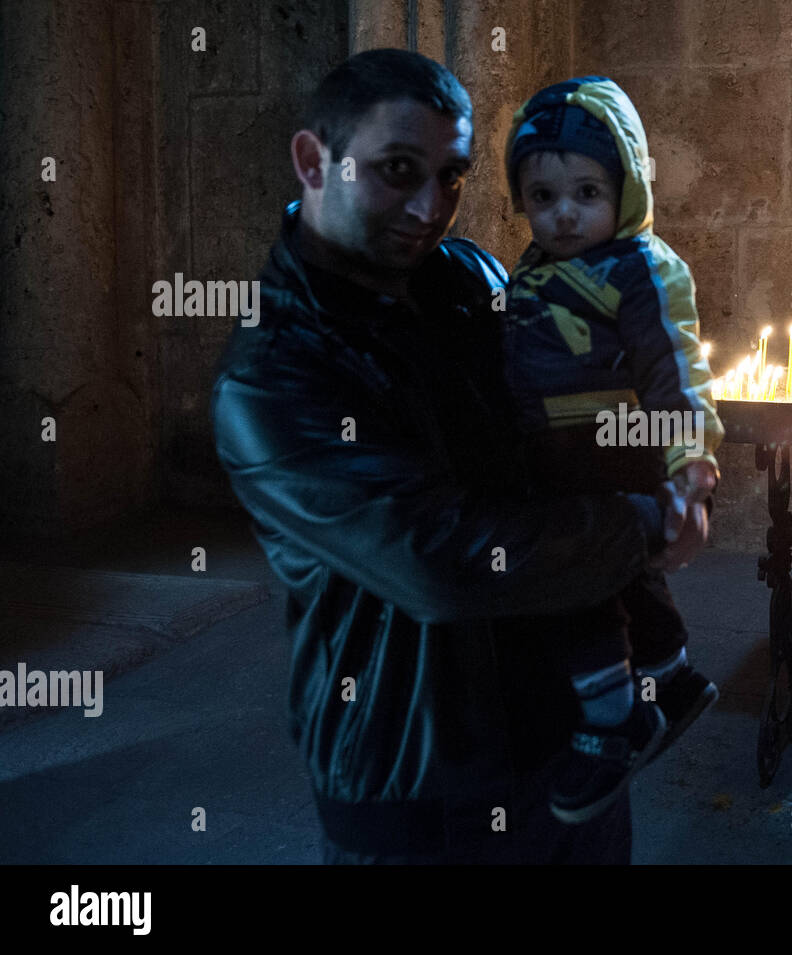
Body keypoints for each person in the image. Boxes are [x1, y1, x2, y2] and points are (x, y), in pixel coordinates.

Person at [209, 49, 707, 864]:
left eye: (452, 175)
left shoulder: (476, 277)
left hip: (571, 743)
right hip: (420, 783)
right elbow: (440, 562)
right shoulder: (270, 374)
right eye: (399, 169)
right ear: (312, 160)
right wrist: (641, 524)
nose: (429, 204)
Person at [500, 76, 724, 824]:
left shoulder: (640, 268)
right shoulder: (534, 269)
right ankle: (669, 673)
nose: (563, 213)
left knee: (576, 577)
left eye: (587, 192)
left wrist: (689, 462)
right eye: (542, 196)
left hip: (605, 446)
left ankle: (611, 718)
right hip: (550, 449)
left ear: (625, 190)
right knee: (625, 575)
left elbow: (673, 365)